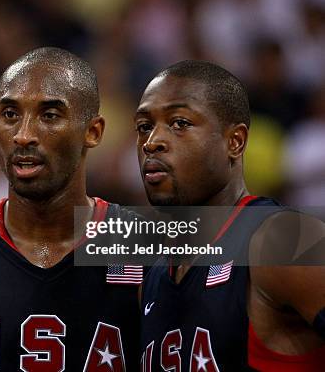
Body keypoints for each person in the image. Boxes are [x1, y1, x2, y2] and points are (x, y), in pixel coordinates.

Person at [0, 47, 142, 371]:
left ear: (93, 131)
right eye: (10, 115)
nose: (24, 135)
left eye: (49, 115)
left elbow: (238, 236)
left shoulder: (138, 241)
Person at [135, 60, 325, 371]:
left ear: (234, 142)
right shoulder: (153, 276)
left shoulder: (282, 239)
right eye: (144, 127)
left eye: (180, 123)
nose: (152, 142)